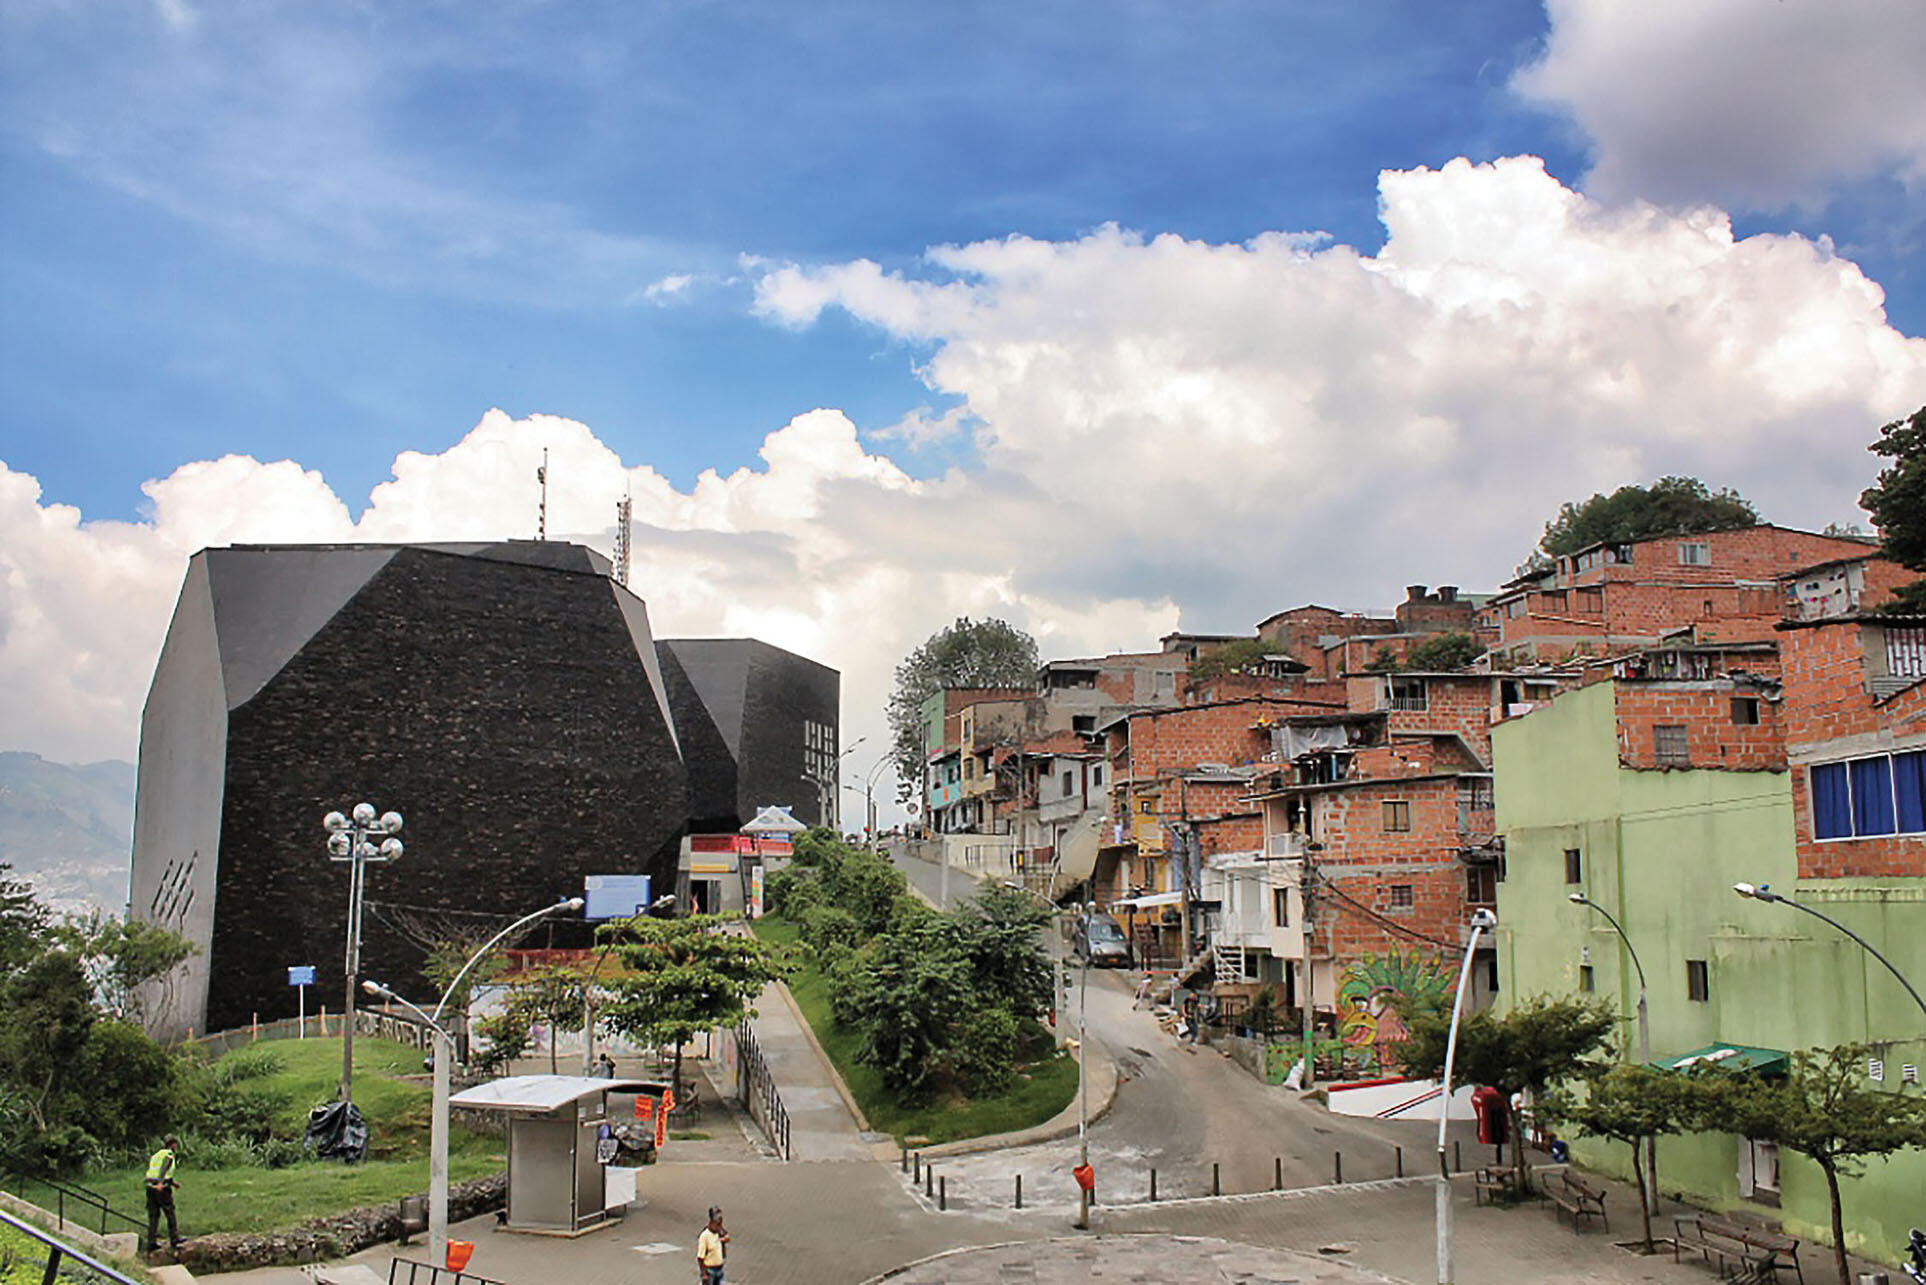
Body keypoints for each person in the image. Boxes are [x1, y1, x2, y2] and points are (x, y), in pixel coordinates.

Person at [144, 1135, 183, 1256]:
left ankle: (151, 1243)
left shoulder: (156, 1155)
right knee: (170, 1212)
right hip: (161, 1189)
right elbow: (163, 1169)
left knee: (153, 1215)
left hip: (150, 1187)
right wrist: (161, 1183)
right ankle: (174, 1239)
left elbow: (154, 1172)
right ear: (173, 1144)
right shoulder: (169, 1155)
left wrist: (173, 1183)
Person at [695, 1205, 729, 1284]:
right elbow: (700, 1257)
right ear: (712, 1223)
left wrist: (724, 1241)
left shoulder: (719, 1233)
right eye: (718, 1224)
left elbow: (723, 1253)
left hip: (720, 1269)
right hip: (710, 1271)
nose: (720, 1227)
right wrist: (704, 1274)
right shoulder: (705, 1236)